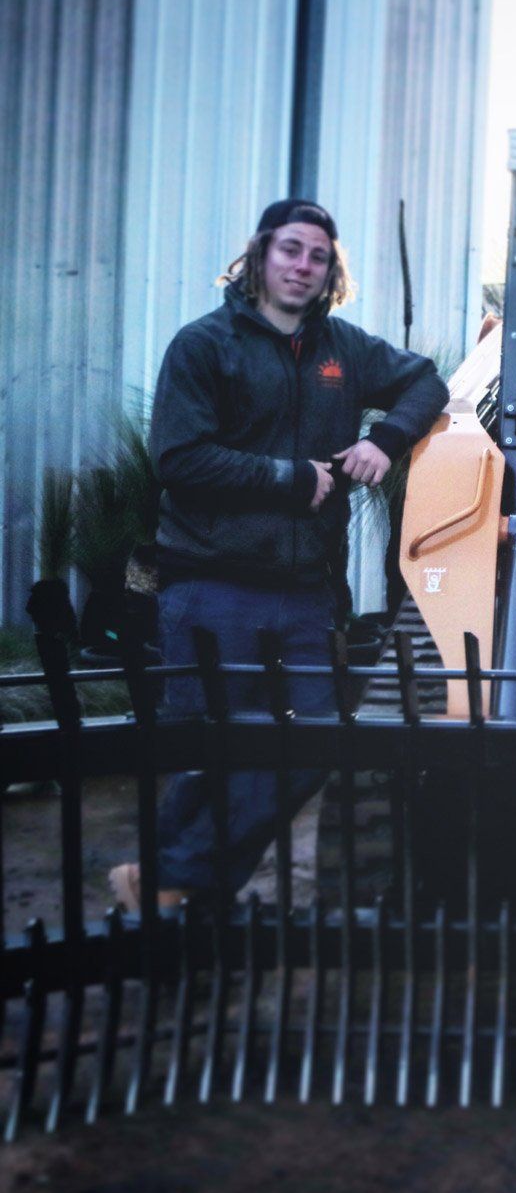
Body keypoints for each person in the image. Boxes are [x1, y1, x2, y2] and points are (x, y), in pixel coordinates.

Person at [109, 199, 448, 913]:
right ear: (261, 254)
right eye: (291, 249)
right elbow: (179, 459)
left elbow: (426, 381)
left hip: (305, 588)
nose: (303, 266)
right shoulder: (205, 346)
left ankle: (171, 878)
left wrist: (384, 440)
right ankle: (188, 901)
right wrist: (289, 478)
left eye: (318, 256)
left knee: (313, 745)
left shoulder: (343, 349)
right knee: (216, 753)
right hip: (212, 582)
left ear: (331, 271)